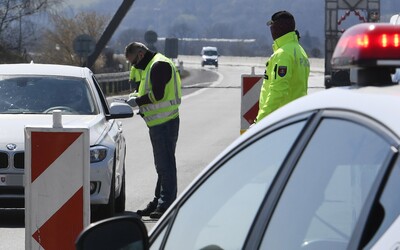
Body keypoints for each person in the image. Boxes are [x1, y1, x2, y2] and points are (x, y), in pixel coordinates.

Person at [125, 42, 181, 219]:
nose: (133, 66)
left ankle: (165, 205)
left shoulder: (158, 65)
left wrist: (138, 102)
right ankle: (158, 201)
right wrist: (135, 96)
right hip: (159, 123)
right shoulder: (151, 65)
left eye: (133, 61)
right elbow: (146, 89)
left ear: (140, 54)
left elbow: (158, 95)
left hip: (165, 123)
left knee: (166, 166)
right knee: (162, 166)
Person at [255, 11, 310, 123]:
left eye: (271, 25)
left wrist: (260, 120)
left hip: (279, 120)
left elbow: (278, 90)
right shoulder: (300, 52)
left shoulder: (283, 54)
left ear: (278, 27)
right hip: (296, 117)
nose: (270, 29)